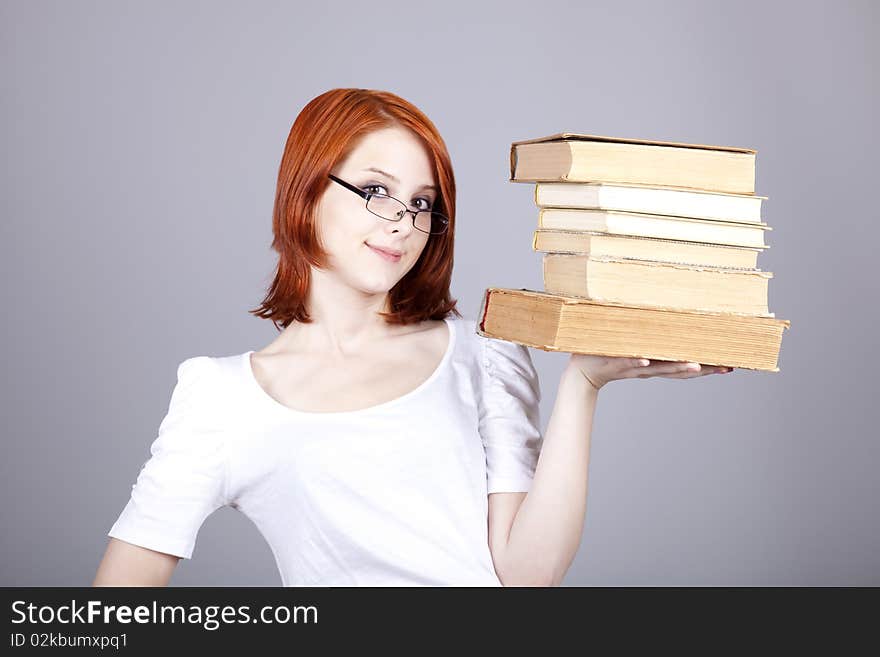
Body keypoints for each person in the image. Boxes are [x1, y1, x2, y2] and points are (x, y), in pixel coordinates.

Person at [92, 88, 730, 587]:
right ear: (306, 192)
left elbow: (527, 576)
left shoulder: (484, 352)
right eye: (375, 191)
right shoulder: (223, 398)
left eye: (423, 203)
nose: (402, 222)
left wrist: (584, 382)